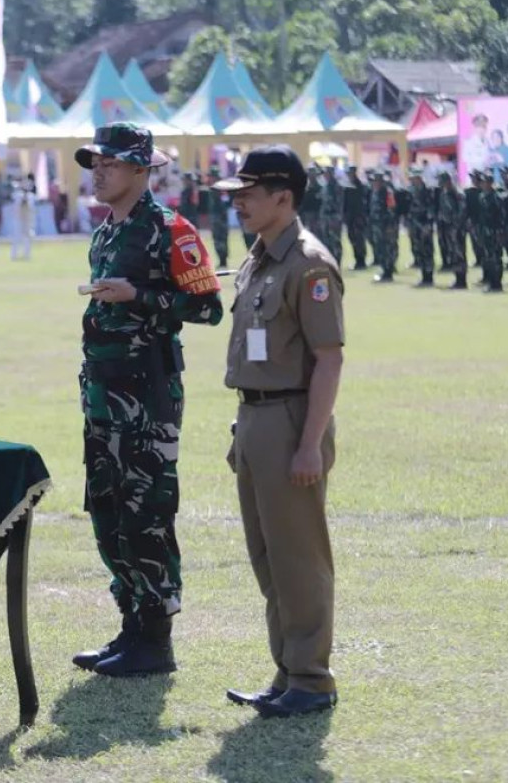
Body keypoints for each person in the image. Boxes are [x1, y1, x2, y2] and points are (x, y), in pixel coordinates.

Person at [71, 122, 223, 678]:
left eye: (109, 163)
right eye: (94, 163)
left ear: (141, 169)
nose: (98, 171)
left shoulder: (171, 229)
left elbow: (209, 307)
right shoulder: (106, 230)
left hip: (147, 394)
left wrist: (141, 296)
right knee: (108, 510)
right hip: (103, 394)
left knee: (147, 512)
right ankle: (131, 624)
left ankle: (156, 637)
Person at [217, 144, 344, 719]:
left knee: (299, 558)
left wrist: (310, 443)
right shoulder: (260, 258)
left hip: (293, 419)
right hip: (256, 418)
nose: (238, 202)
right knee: (269, 558)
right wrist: (244, 429)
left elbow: (328, 359)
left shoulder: (308, 264)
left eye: (248, 193)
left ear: (283, 198)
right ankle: (288, 671)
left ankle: (312, 679)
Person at [406, 167, 435, 287]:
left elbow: (431, 208)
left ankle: (428, 277)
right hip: (415, 224)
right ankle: (424, 275)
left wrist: (428, 225)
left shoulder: (428, 190)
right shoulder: (411, 190)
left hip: (425, 225)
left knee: (427, 250)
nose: (412, 180)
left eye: (414, 178)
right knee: (419, 250)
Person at [436, 172, 465, 289]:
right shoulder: (444, 193)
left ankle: (461, 280)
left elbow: (462, 211)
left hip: (456, 229)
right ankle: (457, 278)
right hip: (447, 228)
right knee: (453, 254)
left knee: (459, 254)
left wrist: (456, 226)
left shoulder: (457, 193)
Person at [478, 171, 505, 292]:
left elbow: (502, 216)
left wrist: (500, 232)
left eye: (486, 182)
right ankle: (490, 280)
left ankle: (497, 283)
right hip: (485, 230)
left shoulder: (496, 197)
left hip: (495, 231)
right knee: (487, 257)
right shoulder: (482, 196)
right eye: (483, 182)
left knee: (496, 257)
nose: (484, 184)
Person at [369, 171, 398, 283]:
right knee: (380, 248)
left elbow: (391, 209)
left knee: (387, 248)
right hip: (377, 224)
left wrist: (389, 225)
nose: (374, 183)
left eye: (376, 181)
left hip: (386, 225)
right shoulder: (375, 192)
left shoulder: (387, 192)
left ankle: (388, 272)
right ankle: (384, 269)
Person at [343, 166, 368, 271]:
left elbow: (362, 203)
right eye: (348, 173)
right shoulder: (347, 186)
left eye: (351, 173)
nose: (350, 175)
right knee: (352, 238)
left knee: (359, 239)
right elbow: (345, 203)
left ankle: (361, 261)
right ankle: (357, 260)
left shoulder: (360, 186)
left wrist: (362, 216)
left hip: (358, 217)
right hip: (350, 218)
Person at [206, 166, 230, 269]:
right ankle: (222, 261)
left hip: (220, 217)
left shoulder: (219, 188)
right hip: (216, 216)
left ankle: (223, 261)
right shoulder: (215, 187)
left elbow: (225, 202)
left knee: (221, 239)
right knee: (217, 239)